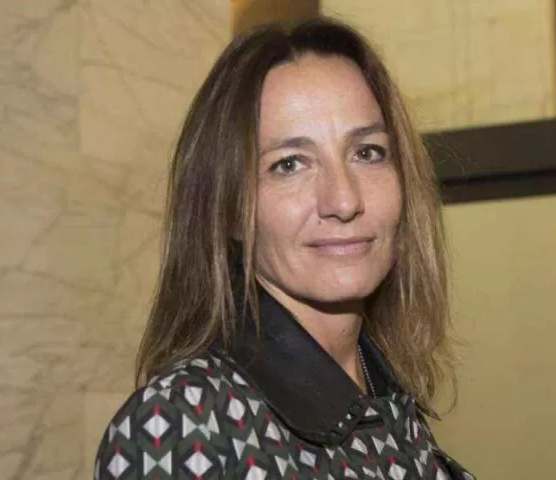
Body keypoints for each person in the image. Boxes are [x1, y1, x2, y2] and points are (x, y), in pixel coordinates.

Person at [93, 18, 472, 479]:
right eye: (290, 164)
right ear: (228, 209)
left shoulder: (394, 415)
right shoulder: (185, 425)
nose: (344, 200)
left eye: (367, 152)